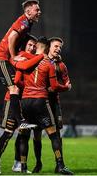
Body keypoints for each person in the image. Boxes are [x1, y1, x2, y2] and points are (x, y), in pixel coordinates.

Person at [18, 36, 73, 174]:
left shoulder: (61, 65)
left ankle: (59, 164)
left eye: (60, 47)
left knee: (56, 134)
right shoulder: (40, 61)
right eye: (56, 46)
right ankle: (38, 163)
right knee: (37, 134)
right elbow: (60, 86)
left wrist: (61, 88)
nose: (58, 49)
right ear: (49, 47)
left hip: (52, 103)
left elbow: (67, 84)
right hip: (41, 101)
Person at [0, 35, 44, 174]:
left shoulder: (31, 59)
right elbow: (26, 65)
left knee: (23, 134)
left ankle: (17, 164)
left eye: (34, 46)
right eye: (30, 45)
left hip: (24, 101)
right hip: (11, 100)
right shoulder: (21, 55)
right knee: (8, 132)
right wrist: (44, 55)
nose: (32, 48)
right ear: (24, 46)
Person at [0, 0, 41, 129]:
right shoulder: (23, 21)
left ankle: (18, 119)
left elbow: (21, 39)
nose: (39, 12)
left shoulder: (28, 24)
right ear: (28, 11)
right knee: (14, 88)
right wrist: (14, 56)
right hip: (1, 58)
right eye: (37, 10)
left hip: (5, 59)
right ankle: (20, 121)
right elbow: (11, 37)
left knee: (15, 87)